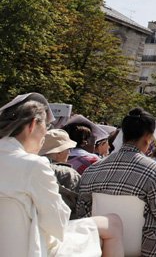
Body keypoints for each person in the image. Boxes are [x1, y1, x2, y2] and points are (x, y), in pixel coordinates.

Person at [0, 92, 124, 256]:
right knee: (113, 223)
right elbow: (57, 225)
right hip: (35, 248)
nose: (44, 137)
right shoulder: (33, 165)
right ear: (32, 125)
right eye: (45, 128)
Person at [76, 108, 156, 257]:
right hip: (144, 251)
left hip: (101, 249)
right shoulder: (155, 171)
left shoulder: (92, 170)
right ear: (148, 139)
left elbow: (81, 215)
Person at [39, 129, 82, 218]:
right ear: (59, 152)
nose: (69, 153)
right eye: (68, 149)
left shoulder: (34, 168)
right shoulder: (68, 173)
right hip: (67, 223)